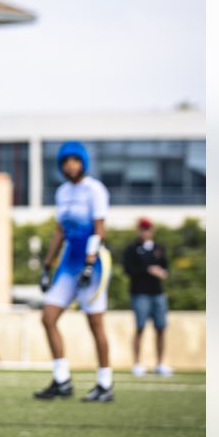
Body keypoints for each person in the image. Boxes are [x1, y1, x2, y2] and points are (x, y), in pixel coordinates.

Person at [32, 141, 114, 402]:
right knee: (48, 317)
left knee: (95, 323)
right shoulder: (62, 192)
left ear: (83, 162)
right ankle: (62, 379)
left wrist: (90, 263)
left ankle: (105, 384)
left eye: (74, 160)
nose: (70, 165)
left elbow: (100, 230)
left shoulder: (95, 189)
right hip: (68, 263)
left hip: (92, 261)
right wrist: (47, 265)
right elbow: (59, 232)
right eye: (65, 161)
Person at [123, 217, 172, 377]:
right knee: (140, 327)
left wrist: (162, 272)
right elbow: (128, 269)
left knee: (161, 328)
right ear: (139, 231)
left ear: (152, 231)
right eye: (142, 229)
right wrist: (148, 270)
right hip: (140, 293)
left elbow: (165, 267)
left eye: (148, 229)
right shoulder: (132, 248)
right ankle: (137, 363)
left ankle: (160, 363)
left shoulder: (159, 248)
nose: (145, 232)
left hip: (157, 293)